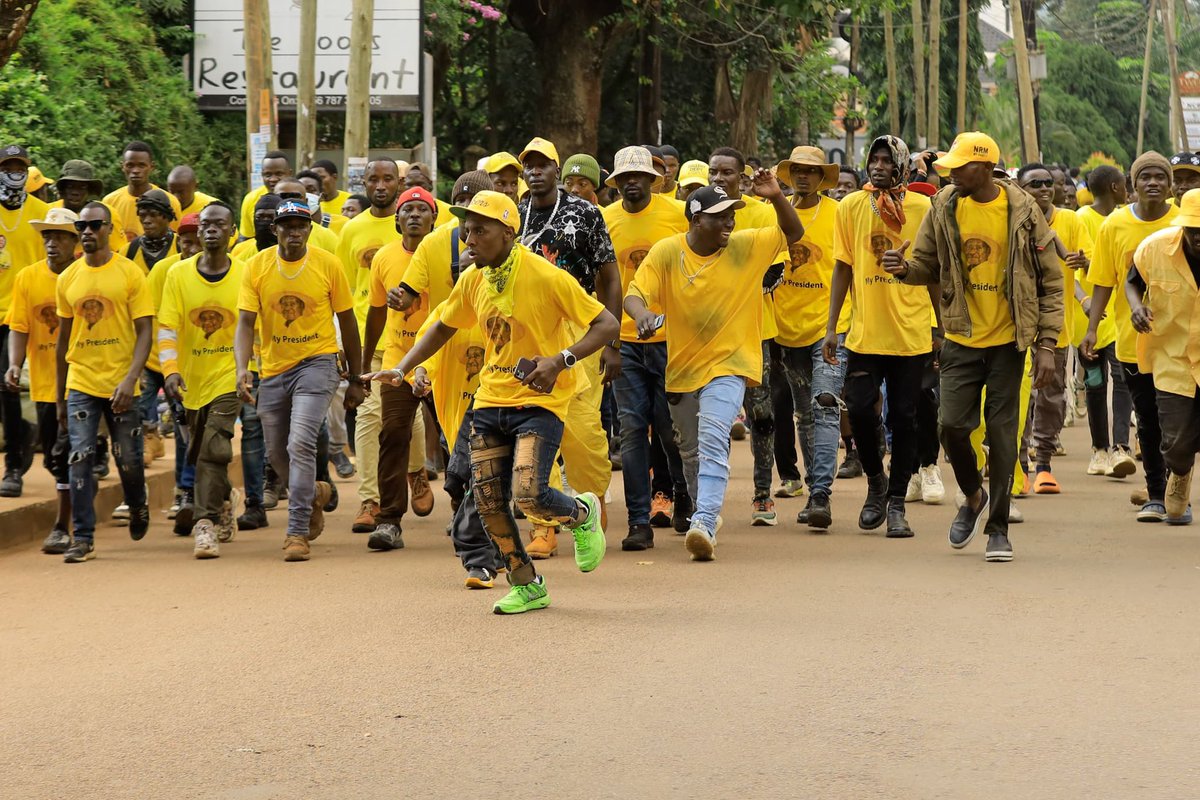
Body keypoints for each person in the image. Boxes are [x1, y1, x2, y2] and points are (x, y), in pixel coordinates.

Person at [364, 190, 617, 614]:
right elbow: (442, 326)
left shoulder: (546, 275)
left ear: (507, 232)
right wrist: (404, 366)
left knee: (528, 492)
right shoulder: (474, 279)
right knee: (488, 501)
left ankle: (580, 512)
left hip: (540, 400)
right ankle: (527, 584)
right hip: (490, 399)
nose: (469, 239)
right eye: (466, 229)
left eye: (479, 230)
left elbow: (606, 324)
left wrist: (560, 360)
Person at [894, 132, 1063, 563]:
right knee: (950, 427)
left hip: (1010, 342)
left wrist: (1046, 344)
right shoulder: (945, 205)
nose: (948, 172)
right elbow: (925, 267)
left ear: (985, 167)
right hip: (961, 339)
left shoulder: (1024, 211)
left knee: (1004, 437)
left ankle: (998, 528)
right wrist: (902, 269)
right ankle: (973, 496)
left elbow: (1051, 280)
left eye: (959, 166)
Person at [626, 171, 803, 561]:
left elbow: (793, 232)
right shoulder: (668, 252)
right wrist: (641, 316)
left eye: (733, 214)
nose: (730, 222)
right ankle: (700, 508)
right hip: (684, 368)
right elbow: (635, 294)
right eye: (720, 215)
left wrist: (775, 197)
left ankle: (705, 519)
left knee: (713, 435)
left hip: (730, 362)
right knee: (687, 449)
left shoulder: (747, 246)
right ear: (695, 220)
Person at [234, 200, 364, 562]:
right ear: (274, 229)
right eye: (286, 225)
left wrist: (356, 377)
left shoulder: (328, 264)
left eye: (301, 225)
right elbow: (245, 322)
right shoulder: (256, 267)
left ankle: (296, 531)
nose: (294, 231)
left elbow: (349, 321)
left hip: (318, 363)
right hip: (273, 369)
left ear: (310, 229)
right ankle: (315, 493)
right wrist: (242, 367)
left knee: (300, 441)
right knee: (275, 453)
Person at [824, 136, 933, 537]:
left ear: (902, 165)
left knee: (905, 420)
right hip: (864, 334)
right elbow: (842, 268)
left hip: (912, 334)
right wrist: (833, 326)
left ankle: (899, 501)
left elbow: (933, 268)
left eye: (888, 160)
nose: (879, 166)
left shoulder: (923, 207)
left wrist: (941, 329)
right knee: (857, 407)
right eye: (874, 159)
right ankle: (876, 483)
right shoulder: (851, 206)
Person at [518, 136, 620, 554]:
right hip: (529, 337)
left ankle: (590, 502)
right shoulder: (514, 214)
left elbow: (610, 278)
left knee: (582, 433)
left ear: (557, 171)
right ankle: (544, 523)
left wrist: (612, 343)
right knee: (537, 430)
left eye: (544, 164)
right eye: (530, 165)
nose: (536, 171)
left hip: (581, 337)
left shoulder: (585, 212)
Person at [601, 145, 691, 550]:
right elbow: (605, 285)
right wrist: (611, 342)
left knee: (671, 432)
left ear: (655, 180)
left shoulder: (676, 215)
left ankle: (683, 498)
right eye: (625, 177)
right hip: (626, 343)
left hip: (672, 339)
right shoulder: (605, 221)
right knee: (633, 431)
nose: (632, 182)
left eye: (639, 176)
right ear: (616, 182)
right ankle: (639, 522)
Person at [55, 202, 154, 562]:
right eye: (82, 225)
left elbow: (145, 331)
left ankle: (137, 501)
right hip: (81, 379)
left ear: (109, 228)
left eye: (95, 225)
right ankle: (82, 536)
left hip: (121, 381)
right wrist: (59, 398)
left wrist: (131, 379)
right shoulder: (67, 278)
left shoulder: (129, 274)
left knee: (128, 458)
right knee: (79, 457)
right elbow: (63, 342)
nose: (87, 231)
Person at [1083, 152, 1179, 522]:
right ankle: (1158, 493)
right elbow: (1103, 281)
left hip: (1181, 341)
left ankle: (1174, 482)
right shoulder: (1115, 226)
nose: (1153, 183)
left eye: (1160, 177)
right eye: (1145, 177)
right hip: (1132, 341)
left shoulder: (1183, 222)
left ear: (1170, 185)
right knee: (1150, 418)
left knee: (1179, 422)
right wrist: (1092, 329)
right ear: (1131, 185)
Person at [708, 146, 788, 526]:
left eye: (726, 173)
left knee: (762, 414)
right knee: (714, 418)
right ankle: (710, 500)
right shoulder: (699, 210)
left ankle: (762, 496)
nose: (719, 179)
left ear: (742, 177)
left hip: (757, 331)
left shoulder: (761, 212)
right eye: (714, 172)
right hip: (711, 333)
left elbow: (775, 272)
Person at [159, 202, 245, 557]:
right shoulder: (177, 275)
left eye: (218, 224)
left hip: (230, 375)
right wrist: (170, 370)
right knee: (200, 451)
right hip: (192, 380)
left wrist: (249, 369)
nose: (210, 229)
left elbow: (253, 324)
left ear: (232, 231)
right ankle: (225, 496)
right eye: (204, 224)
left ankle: (204, 524)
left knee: (215, 444)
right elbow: (167, 327)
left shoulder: (246, 273)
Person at [771, 146, 849, 529]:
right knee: (804, 414)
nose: (803, 176)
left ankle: (820, 496)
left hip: (829, 328)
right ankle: (813, 487)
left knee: (824, 404)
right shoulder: (775, 211)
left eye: (811, 171)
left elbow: (849, 268)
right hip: (785, 330)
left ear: (823, 178)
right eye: (797, 170)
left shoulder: (839, 215)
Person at [358, 187, 438, 551]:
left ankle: (468, 510)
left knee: (458, 436)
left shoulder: (445, 254)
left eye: (423, 209)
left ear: (435, 219)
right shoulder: (384, 258)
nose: (416, 215)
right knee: (391, 433)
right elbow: (375, 312)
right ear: (397, 220)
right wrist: (364, 363)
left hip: (442, 359)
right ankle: (389, 520)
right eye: (409, 210)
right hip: (397, 359)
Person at [4, 207, 79, 551]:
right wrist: (15, 365)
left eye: (60, 236)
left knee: (67, 457)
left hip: (83, 383)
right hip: (46, 384)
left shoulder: (83, 274)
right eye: (47, 236)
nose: (52, 243)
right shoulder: (27, 278)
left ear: (74, 241)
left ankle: (65, 525)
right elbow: (19, 327)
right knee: (51, 457)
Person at [1017, 163, 1092, 494]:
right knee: (1018, 399)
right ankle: (1018, 465)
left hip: (1055, 324)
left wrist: (1085, 294)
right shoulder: (1011, 220)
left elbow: (1081, 262)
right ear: (1021, 189)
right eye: (1035, 183)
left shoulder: (1071, 221)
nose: (1045, 188)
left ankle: (1044, 464)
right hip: (1015, 325)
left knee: (1051, 397)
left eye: (1049, 183)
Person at [1127, 188, 1200, 524]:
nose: (1199, 239)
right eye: (1194, 231)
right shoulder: (1154, 248)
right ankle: (1180, 472)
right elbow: (1132, 282)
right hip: (1173, 356)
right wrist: (1136, 306)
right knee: (1174, 439)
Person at [1072, 164, 1135, 479]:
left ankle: (1121, 448)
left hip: (1121, 315)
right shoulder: (1083, 218)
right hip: (1093, 317)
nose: (1128, 189)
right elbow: (1075, 271)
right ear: (1114, 187)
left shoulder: (1125, 218)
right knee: (1095, 383)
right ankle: (1099, 449)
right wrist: (1086, 308)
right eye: (1124, 183)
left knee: (1123, 381)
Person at [0, 144, 49, 497]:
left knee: (8, 385)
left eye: (20, 166)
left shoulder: (42, 213)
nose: (14, 171)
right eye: (7, 165)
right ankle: (24, 433)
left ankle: (14, 465)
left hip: (22, 315)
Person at [102, 141, 183, 242]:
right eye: (130, 165)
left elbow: (176, 241)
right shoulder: (109, 202)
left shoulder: (169, 201)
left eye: (141, 165)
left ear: (151, 167)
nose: (135, 170)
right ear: (123, 167)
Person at [50, 160, 125, 244]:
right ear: (62, 189)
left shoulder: (105, 213)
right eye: (70, 186)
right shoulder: (49, 212)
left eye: (82, 187)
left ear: (89, 190)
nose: (75, 192)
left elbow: (119, 250)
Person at [238, 150, 292, 239]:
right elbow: (246, 237)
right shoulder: (251, 199)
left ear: (290, 173)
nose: (273, 179)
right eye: (268, 175)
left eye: (279, 174)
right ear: (262, 175)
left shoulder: (299, 197)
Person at [127, 188, 179, 274]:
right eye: (142, 215)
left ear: (167, 217)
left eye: (153, 215)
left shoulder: (181, 246)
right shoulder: (129, 250)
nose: (146, 220)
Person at [404, 162, 455, 226]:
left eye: (419, 184)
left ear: (430, 184)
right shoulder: (397, 212)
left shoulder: (449, 212)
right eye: (409, 185)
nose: (415, 189)